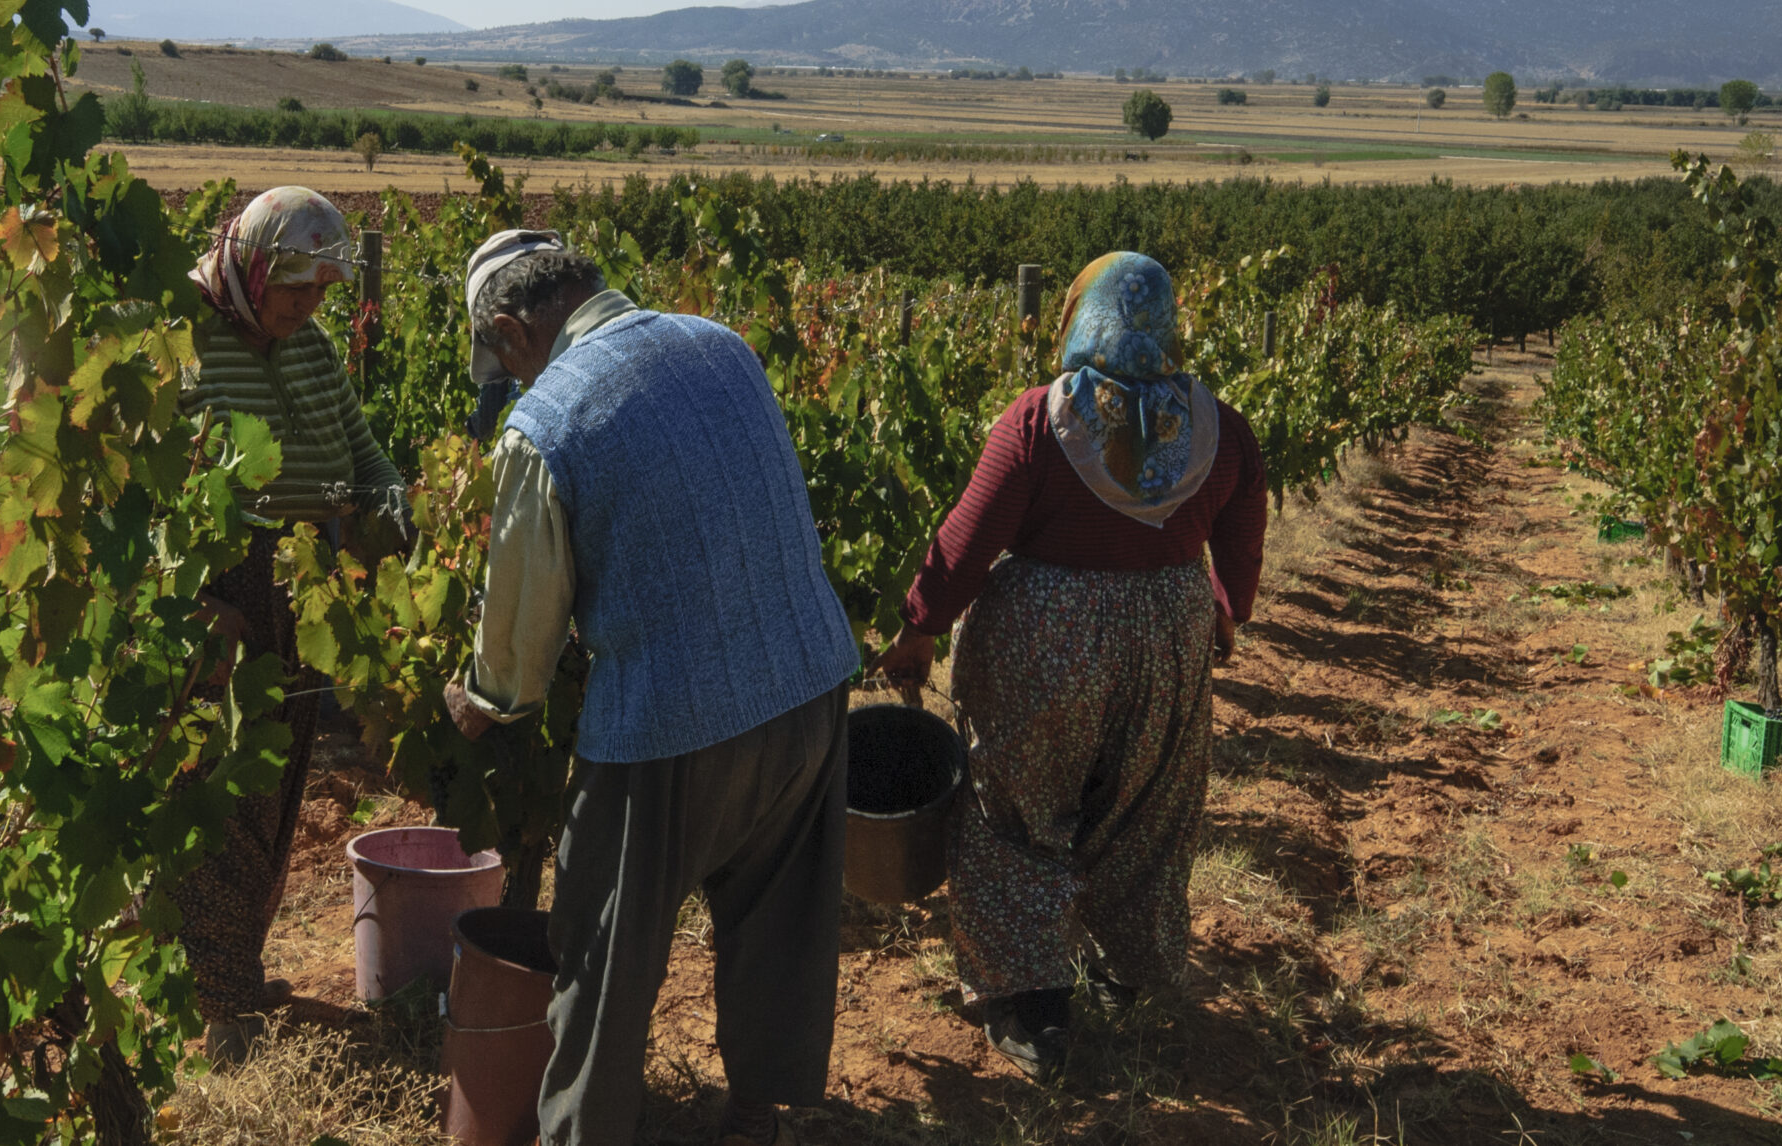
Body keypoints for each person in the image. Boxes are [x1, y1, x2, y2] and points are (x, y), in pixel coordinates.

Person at [441, 232, 862, 1146]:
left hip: (671, 726)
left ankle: (582, 1135)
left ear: (513, 331)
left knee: (602, 958)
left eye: (501, 360)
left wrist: (484, 699)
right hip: (810, 684)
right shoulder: (720, 343)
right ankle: (755, 1114)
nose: (506, 381)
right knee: (778, 923)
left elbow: (519, 639)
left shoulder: (546, 418)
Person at [876, 251, 1268, 1079]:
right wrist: (1225, 609)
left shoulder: (1040, 420)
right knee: (1146, 809)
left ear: (1078, 318)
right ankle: (1128, 973)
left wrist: (920, 628)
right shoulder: (1217, 424)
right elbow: (1244, 527)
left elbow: (967, 539)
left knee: (1015, 810)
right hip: (1166, 634)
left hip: (1044, 642)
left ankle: (1032, 1005)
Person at [174, 186, 408, 1056]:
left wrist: (393, 502)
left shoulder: (307, 348)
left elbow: (362, 443)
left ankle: (232, 974)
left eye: (320, 294)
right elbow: (140, 481)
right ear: (252, 266)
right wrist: (197, 606)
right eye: (295, 290)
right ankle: (215, 1003)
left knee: (273, 796)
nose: (308, 309)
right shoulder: (185, 336)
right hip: (216, 601)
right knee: (215, 797)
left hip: (301, 590)